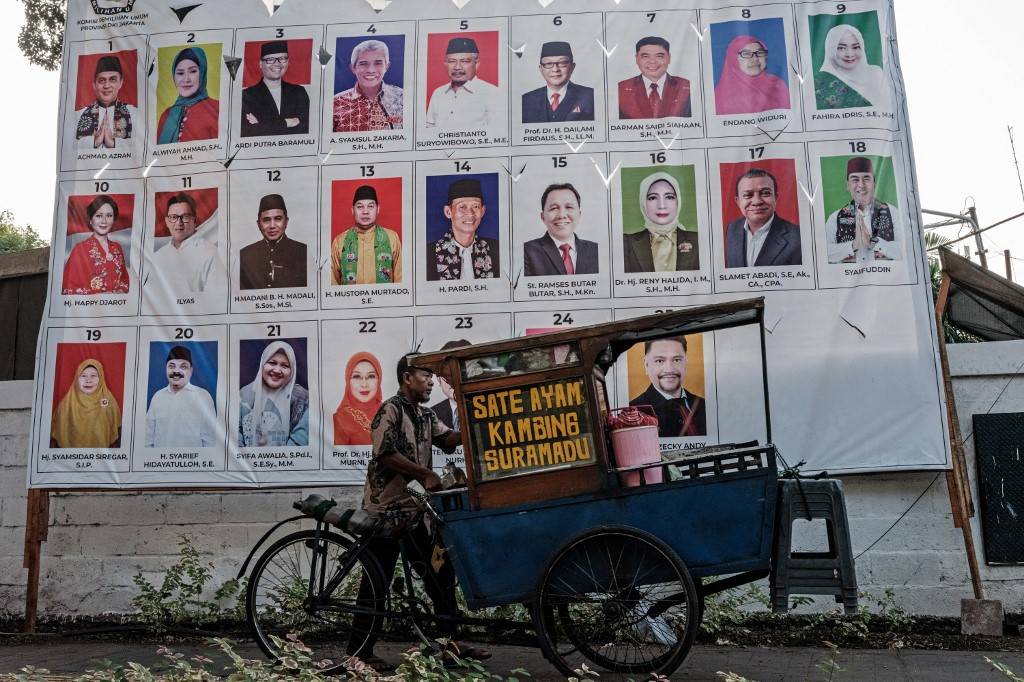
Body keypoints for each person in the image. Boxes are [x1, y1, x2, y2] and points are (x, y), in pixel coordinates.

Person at [350, 356, 488, 668]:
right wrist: (424, 474)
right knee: (376, 582)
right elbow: (384, 452)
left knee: (440, 573)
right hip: (385, 512)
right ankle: (358, 653)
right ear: (407, 377)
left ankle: (450, 645)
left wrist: (474, 416)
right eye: (426, 375)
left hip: (415, 513)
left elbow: (449, 439)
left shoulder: (425, 415)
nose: (430, 381)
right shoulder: (391, 409)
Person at [825, 156, 900, 263]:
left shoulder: (892, 212)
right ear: (848, 185)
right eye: (855, 179)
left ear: (874, 184)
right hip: (847, 278)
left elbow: (906, 249)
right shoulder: (835, 217)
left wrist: (873, 243)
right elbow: (824, 253)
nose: (861, 185)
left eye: (866, 179)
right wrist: (853, 245)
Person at [623, 172, 699, 273]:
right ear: (643, 203)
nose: (662, 205)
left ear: (678, 201)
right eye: (653, 197)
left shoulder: (699, 240)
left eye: (669, 197)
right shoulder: (626, 243)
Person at [630, 337, 706, 437]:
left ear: (686, 362)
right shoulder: (633, 412)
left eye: (677, 360)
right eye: (659, 361)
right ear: (646, 365)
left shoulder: (704, 405)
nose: (669, 369)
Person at [725, 169, 801, 267]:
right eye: (748, 195)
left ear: (775, 197)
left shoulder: (798, 237)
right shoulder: (732, 228)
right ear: (738, 201)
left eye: (765, 193)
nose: (757, 201)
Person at [148, 192, 223, 292]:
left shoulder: (210, 252)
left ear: (194, 220)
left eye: (185, 217)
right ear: (167, 221)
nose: (179, 223)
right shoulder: (157, 257)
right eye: (174, 217)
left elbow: (216, 297)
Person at [239, 340, 309, 447]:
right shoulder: (244, 394)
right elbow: (236, 436)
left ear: (292, 371)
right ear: (262, 364)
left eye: (285, 366)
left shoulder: (302, 398)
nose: (277, 370)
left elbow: (300, 440)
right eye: (272, 363)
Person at [426, 178, 499, 280]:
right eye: (462, 207)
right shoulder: (428, 254)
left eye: (476, 206)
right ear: (448, 212)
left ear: (482, 211)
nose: (470, 213)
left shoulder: (496, 249)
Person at [145, 345, 217, 448]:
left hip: (192, 462)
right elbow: (147, 438)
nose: (176, 371)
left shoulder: (203, 396)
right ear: (166, 368)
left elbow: (210, 441)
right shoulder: (158, 397)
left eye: (183, 367)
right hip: (160, 462)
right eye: (172, 366)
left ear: (191, 370)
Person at [330, 185, 402, 285]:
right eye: (360, 207)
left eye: (370, 206)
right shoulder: (339, 241)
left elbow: (401, 281)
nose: (365, 211)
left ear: (378, 209)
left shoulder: (392, 238)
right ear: (352, 210)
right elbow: (332, 283)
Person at [424, 37, 501, 129]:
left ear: (476, 64)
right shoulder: (438, 93)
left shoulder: (492, 93)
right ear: (446, 64)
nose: (457, 67)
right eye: (452, 61)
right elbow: (429, 129)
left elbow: (496, 133)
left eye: (464, 61)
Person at [523, 183, 599, 276]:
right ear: (543, 216)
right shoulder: (527, 251)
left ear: (579, 214)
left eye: (569, 207)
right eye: (554, 208)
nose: (561, 215)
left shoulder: (596, 250)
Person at [62, 194, 131, 295]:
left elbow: (124, 281)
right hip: (91, 309)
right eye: (99, 216)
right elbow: (68, 289)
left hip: (117, 308)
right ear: (90, 220)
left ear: (113, 219)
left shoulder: (117, 247)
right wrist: (98, 295)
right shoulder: (80, 249)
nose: (104, 221)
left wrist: (120, 291)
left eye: (109, 216)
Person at [241, 40, 310, 137]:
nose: (277, 64)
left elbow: (307, 127)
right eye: (270, 59)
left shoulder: (299, 92)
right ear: (260, 64)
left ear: (288, 62)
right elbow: (248, 131)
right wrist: (287, 122)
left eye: (282, 58)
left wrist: (262, 125)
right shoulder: (247, 95)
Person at [333, 39, 404, 132]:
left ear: (387, 66)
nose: (371, 70)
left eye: (378, 63)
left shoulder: (403, 97)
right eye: (363, 63)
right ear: (353, 68)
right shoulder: (336, 103)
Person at [239, 193, 307, 289]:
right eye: (266, 220)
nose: (272, 225)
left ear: (286, 222)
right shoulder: (244, 255)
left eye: (278, 219)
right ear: (259, 224)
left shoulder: (303, 252)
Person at [50, 358, 121, 448]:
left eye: (93, 376)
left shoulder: (109, 404)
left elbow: (117, 438)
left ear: (101, 378)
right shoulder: (65, 406)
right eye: (83, 376)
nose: (88, 380)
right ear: (76, 379)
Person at [815, 24, 889, 110]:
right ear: (830, 50)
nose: (849, 54)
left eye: (856, 47)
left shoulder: (875, 73)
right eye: (841, 48)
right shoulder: (821, 82)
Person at [520, 41, 595, 124]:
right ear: (540, 69)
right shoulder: (526, 100)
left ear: (572, 67)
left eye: (562, 63)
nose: (555, 69)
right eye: (548, 63)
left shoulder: (591, 96)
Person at [157, 46, 219, 144]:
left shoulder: (217, 109)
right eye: (180, 73)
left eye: (193, 71)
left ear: (202, 72)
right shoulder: (166, 115)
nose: (186, 79)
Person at [618, 37, 691, 119]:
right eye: (645, 56)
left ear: (669, 58)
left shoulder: (687, 87)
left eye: (659, 56)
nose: (652, 61)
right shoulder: (621, 89)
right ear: (637, 59)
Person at [714, 35, 790, 115]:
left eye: (760, 52)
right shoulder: (722, 95)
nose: (755, 58)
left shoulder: (778, 85)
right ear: (733, 59)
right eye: (746, 54)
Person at [76, 54, 136, 150]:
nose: (107, 85)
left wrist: (113, 143)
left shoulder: (134, 113)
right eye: (101, 80)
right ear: (94, 84)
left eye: (112, 79)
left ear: (121, 82)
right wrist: (95, 142)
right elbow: (70, 149)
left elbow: (140, 146)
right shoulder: (79, 115)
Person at [333, 351, 383, 446]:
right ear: (348, 381)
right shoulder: (338, 420)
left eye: (371, 376)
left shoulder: (390, 414)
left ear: (379, 380)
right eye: (357, 376)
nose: (364, 384)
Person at [429, 339, 470, 429]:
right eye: (447, 374)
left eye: (461, 372)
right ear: (439, 379)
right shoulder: (429, 418)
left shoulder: (493, 409)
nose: (454, 381)